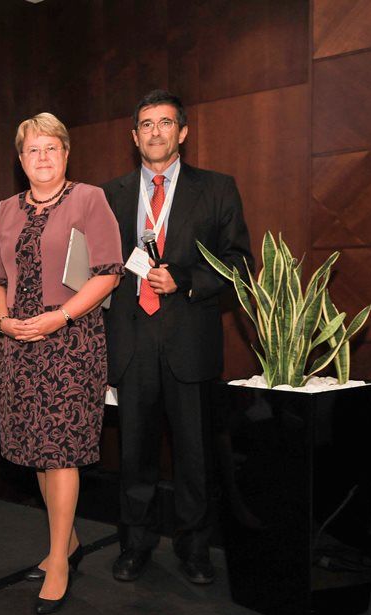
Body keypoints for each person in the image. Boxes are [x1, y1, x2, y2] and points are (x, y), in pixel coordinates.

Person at [102, 89, 251, 585]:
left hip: (190, 341)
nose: (155, 132)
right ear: (134, 137)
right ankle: (135, 546)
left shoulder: (217, 189)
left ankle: (195, 550)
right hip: (131, 342)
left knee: (194, 456)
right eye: (146, 124)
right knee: (135, 455)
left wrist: (185, 279)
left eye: (165, 123)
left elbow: (241, 264)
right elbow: (96, 266)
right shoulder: (110, 195)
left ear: (182, 132)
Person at [0, 113, 123, 614]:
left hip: (71, 340)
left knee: (61, 449)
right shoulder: (5, 209)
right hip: (20, 342)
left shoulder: (89, 199)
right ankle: (69, 541)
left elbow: (108, 273)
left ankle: (58, 560)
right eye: (31, 151)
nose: (41, 158)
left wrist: (58, 318)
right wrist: (3, 321)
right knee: (36, 450)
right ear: (20, 160)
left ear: (66, 154)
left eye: (51, 149)